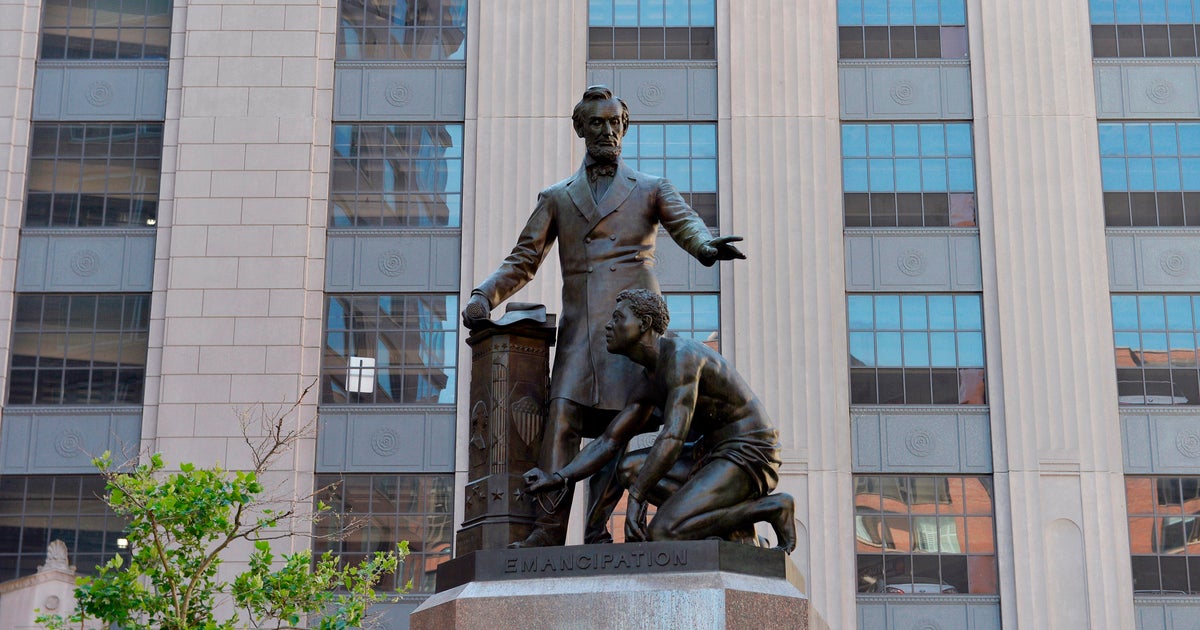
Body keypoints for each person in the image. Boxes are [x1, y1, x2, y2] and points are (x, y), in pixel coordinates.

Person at [462, 86, 745, 547]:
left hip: (633, 325)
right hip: (582, 329)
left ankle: (595, 532)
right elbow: (523, 259)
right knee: (562, 421)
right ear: (580, 129)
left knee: (622, 425)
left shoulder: (651, 188)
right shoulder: (556, 196)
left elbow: (686, 223)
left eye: (615, 124)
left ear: (624, 129)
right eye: (597, 123)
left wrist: (706, 246)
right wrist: (483, 296)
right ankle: (547, 532)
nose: (608, 132)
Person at [523, 289, 796, 552]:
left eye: (618, 318)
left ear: (644, 323)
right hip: (709, 455)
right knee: (629, 468)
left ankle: (771, 508)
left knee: (664, 532)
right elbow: (609, 441)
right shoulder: (649, 379)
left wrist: (638, 496)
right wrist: (559, 477)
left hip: (749, 454)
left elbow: (673, 437)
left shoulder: (682, 357)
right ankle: (731, 527)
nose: (608, 326)